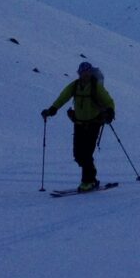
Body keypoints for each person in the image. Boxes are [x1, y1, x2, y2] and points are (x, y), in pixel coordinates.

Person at [42, 61, 116, 191]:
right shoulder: (74, 86)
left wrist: (110, 112)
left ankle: (87, 181)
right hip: (78, 124)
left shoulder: (96, 87)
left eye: (87, 72)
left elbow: (108, 101)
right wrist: (52, 110)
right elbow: (63, 97)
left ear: (90, 72)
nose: (84, 75)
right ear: (79, 73)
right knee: (78, 155)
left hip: (94, 123)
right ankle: (92, 177)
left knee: (86, 153)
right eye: (82, 73)